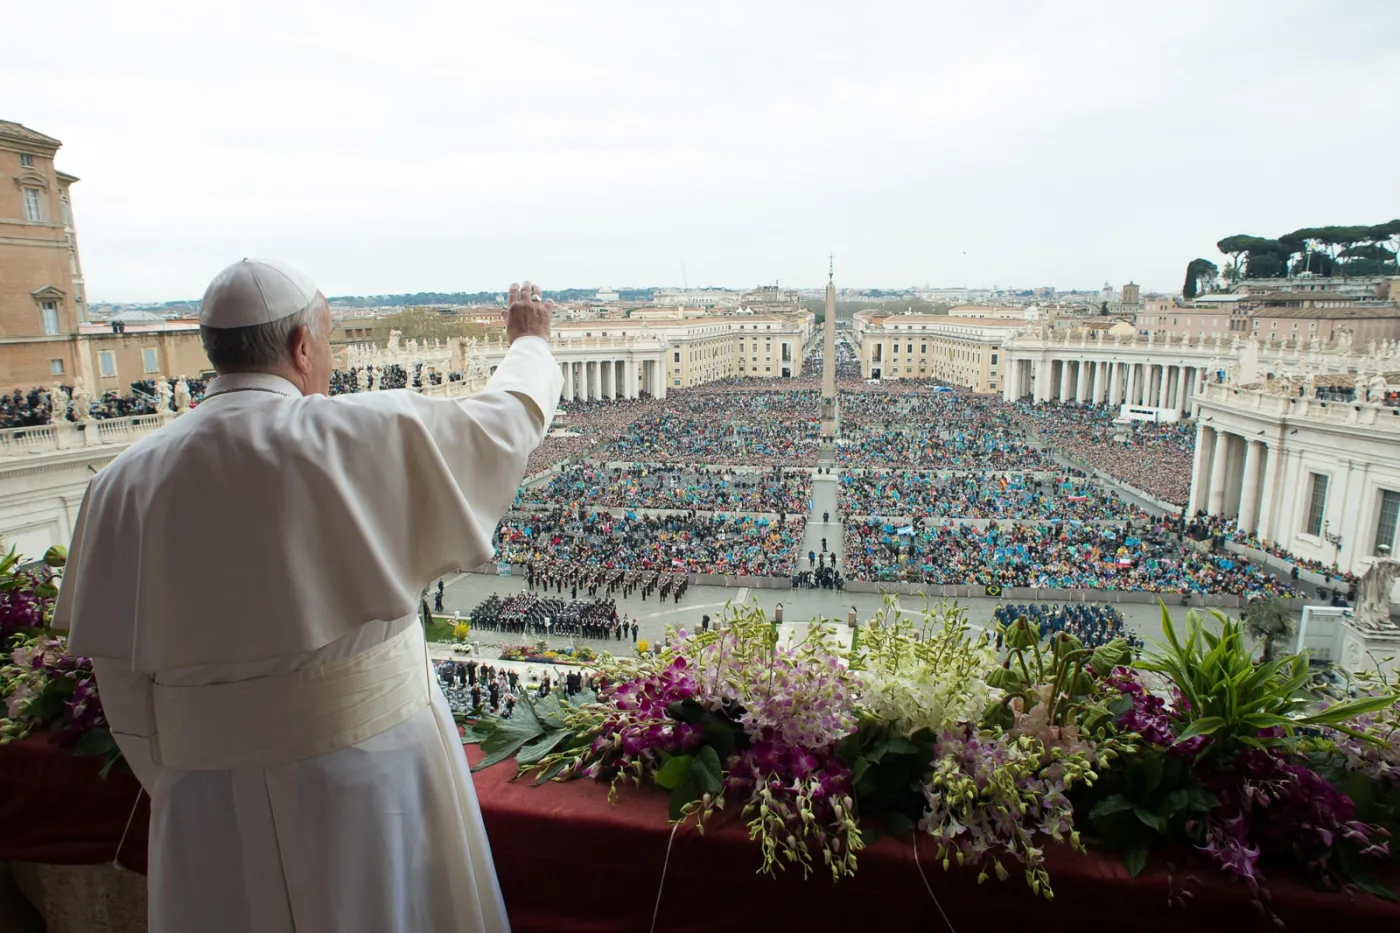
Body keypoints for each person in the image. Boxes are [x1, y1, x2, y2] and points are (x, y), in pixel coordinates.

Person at [54, 261, 562, 933]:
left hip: (205, 797)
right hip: (375, 780)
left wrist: (204, 763)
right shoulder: (360, 432)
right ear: (301, 345)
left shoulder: (119, 484)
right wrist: (529, 342)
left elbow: (121, 687)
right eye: (328, 338)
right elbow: (504, 425)